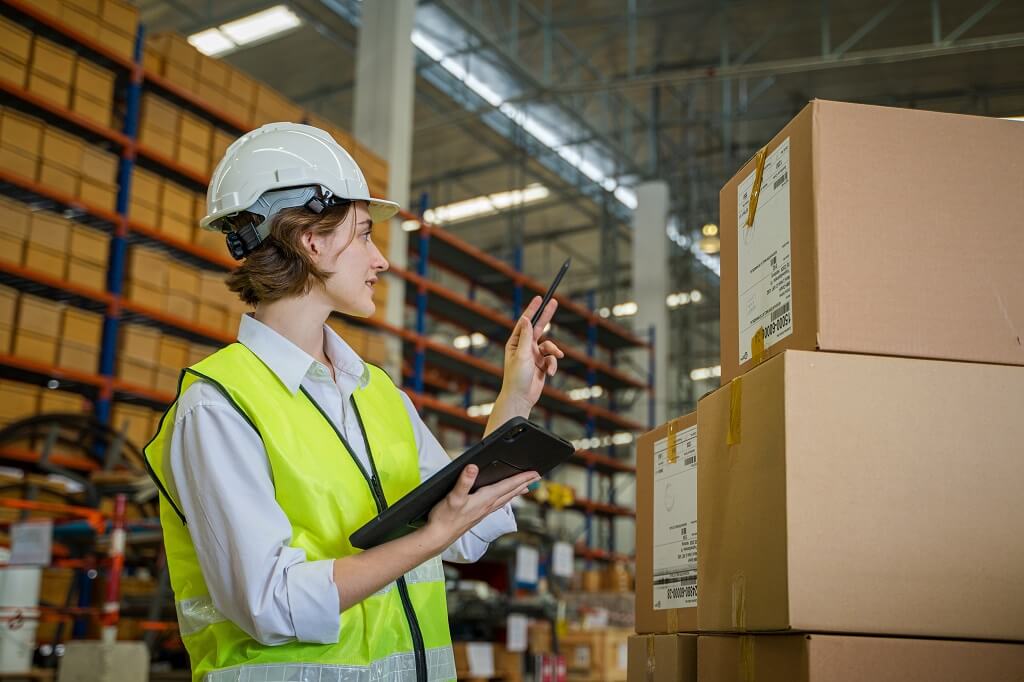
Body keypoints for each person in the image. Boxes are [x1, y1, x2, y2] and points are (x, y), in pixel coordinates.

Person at [144, 123, 565, 682]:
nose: (380, 260)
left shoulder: (378, 394)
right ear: (310, 240)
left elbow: (463, 531)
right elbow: (271, 604)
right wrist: (431, 538)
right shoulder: (218, 405)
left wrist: (513, 401)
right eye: (364, 235)